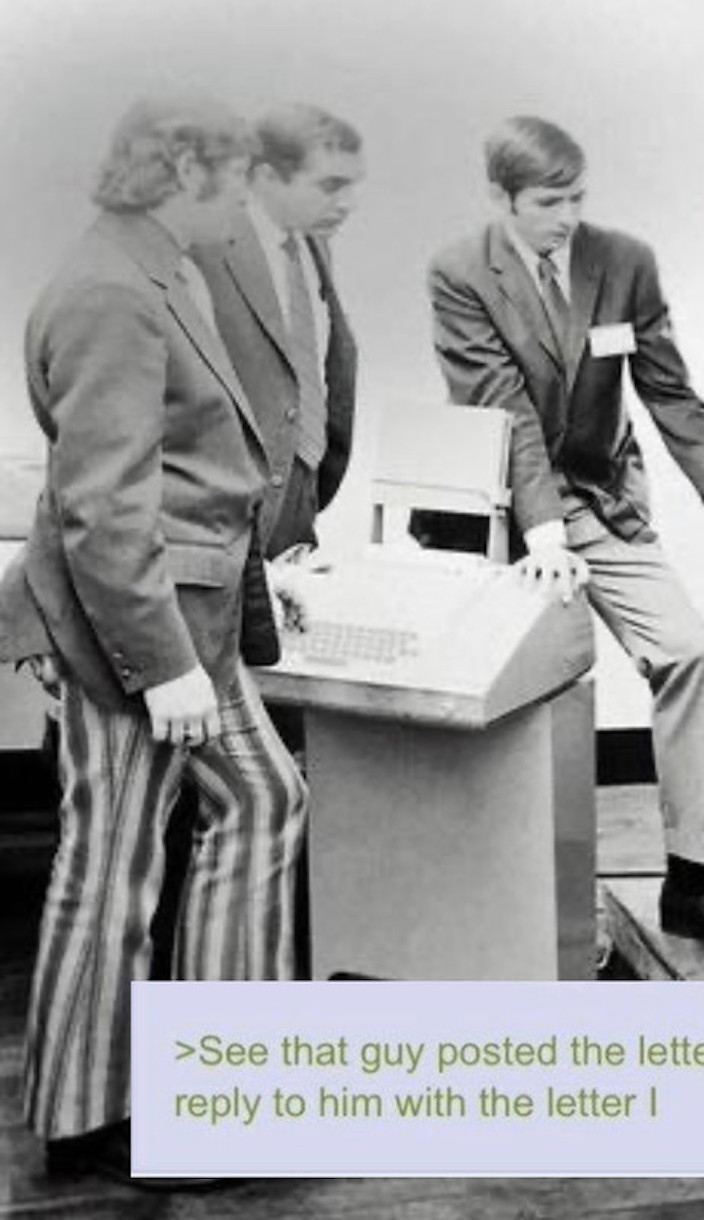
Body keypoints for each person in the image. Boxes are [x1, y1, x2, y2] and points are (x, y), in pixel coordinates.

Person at [0, 95, 308, 1189]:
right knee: (114, 858)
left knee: (263, 799)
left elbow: (184, 473)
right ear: (182, 171)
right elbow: (103, 504)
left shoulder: (157, 269)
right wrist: (164, 665)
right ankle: (89, 1115)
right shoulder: (111, 291)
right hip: (139, 634)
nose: (246, 199)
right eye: (235, 176)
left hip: (186, 617)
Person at [428, 115, 704, 964]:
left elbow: (669, 390)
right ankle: (491, 907)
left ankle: (693, 883)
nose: (567, 218)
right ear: (501, 197)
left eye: (577, 199)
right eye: (547, 203)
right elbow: (504, 412)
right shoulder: (459, 273)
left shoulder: (624, 261)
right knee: (515, 698)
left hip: (601, 500)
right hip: (504, 506)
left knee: (689, 651)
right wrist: (544, 532)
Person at [192, 103, 363, 560]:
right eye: (330, 186)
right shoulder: (205, 245)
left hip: (300, 502)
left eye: (352, 186)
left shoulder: (314, 245)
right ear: (265, 177)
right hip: (227, 521)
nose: (349, 203)